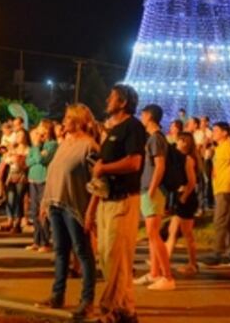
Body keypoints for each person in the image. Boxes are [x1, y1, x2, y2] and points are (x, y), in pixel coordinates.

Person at [85, 84, 145, 323]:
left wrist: (104, 167)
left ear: (123, 102)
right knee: (108, 258)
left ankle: (108, 310)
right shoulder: (110, 130)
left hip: (123, 200)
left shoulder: (133, 127)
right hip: (105, 199)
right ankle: (127, 310)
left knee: (116, 256)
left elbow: (134, 163)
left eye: (112, 97)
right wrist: (91, 209)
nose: (107, 100)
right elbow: (100, 172)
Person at [35, 104, 99, 319]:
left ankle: (87, 300)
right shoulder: (64, 143)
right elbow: (54, 174)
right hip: (55, 203)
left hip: (74, 207)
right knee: (61, 251)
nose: (63, 121)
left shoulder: (89, 146)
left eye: (68, 118)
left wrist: (91, 210)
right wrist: (45, 202)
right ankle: (57, 295)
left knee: (82, 253)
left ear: (78, 121)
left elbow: (97, 182)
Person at [135, 104, 175, 290]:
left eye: (143, 114)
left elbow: (160, 166)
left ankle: (167, 276)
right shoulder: (153, 139)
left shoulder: (156, 139)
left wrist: (151, 189)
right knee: (152, 235)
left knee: (153, 233)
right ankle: (155, 273)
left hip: (153, 191)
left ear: (149, 116)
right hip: (148, 189)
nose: (141, 117)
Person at [203, 121, 230, 268]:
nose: (213, 133)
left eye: (216, 130)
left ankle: (217, 253)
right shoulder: (219, 148)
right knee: (229, 222)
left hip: (226, 188)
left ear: (225, 133)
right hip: (220, 187)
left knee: (219, 220)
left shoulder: (229, 146)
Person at [165, 132, 200, 275]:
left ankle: (193, 264)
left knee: (187, 233)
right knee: (173, 231)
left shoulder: (188, 159)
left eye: (181, 140)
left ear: (187, 143)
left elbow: (192, 182)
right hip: (181, 197)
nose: (178, 143)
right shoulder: (180, 159)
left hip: (186, 199)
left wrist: (184, 196)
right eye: (179, 140)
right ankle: (164, 260)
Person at [27, 119, 57, 250]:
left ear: (47, 129)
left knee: (43, 211)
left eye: (40, 127)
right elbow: (28, 161)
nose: (38, 130)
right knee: (34, 211)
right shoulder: (37, 145)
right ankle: (36, 240)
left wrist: (37, 147)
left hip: (43, 180)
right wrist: (36, 149)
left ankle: (45, 241)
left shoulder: (52, 145)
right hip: (32, 179)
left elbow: (41, 159)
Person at [0, 128, 29, 233]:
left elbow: (25, 163)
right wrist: (12, 157)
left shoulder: (28, 149)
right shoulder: (14, 149)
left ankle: (17, 222)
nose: (19, 138)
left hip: (21, 177)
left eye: (21, 135)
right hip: (11, 176)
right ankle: (10, 220)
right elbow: (7, 160)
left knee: (19, 200)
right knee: (10, 199)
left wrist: (17, 158)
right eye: (18, 135)